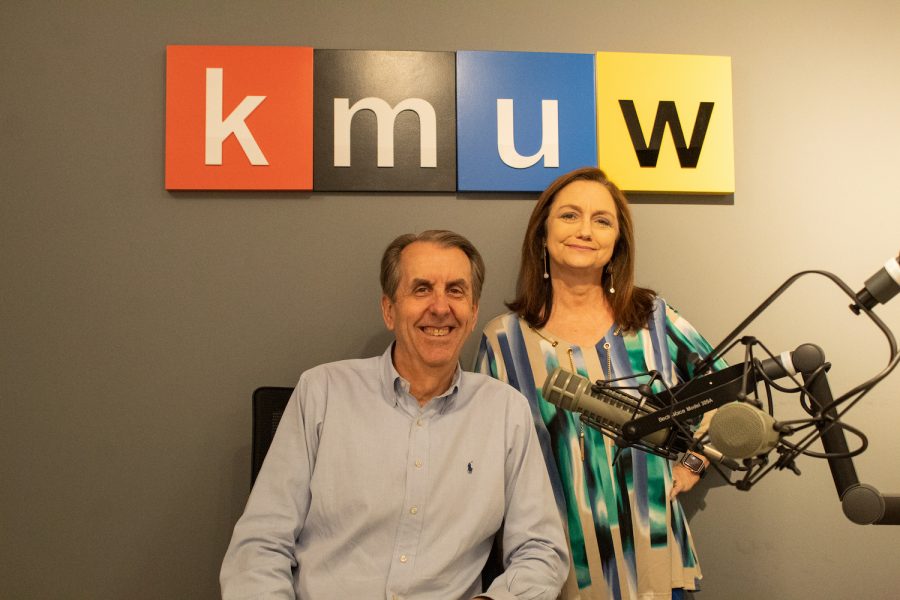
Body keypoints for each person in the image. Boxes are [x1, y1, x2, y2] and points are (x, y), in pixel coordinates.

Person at [221, 230, 569, 600]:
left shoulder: (504, 412)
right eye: (421, 289)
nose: (440, 307)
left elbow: (541, 551)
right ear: (389, 310)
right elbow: (259, 548)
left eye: (455, 290)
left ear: (473, 313)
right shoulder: (322, 392)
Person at [475, 168, 725, 600]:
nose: (586, 231)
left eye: (602, 220)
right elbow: (480, 454)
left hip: (653, 561)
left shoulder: (652, 319)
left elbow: (727, 388)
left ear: (616, 244)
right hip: (554, 572)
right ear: (542, 234)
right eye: (570, 216)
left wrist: (696, 460)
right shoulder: (503, 341)